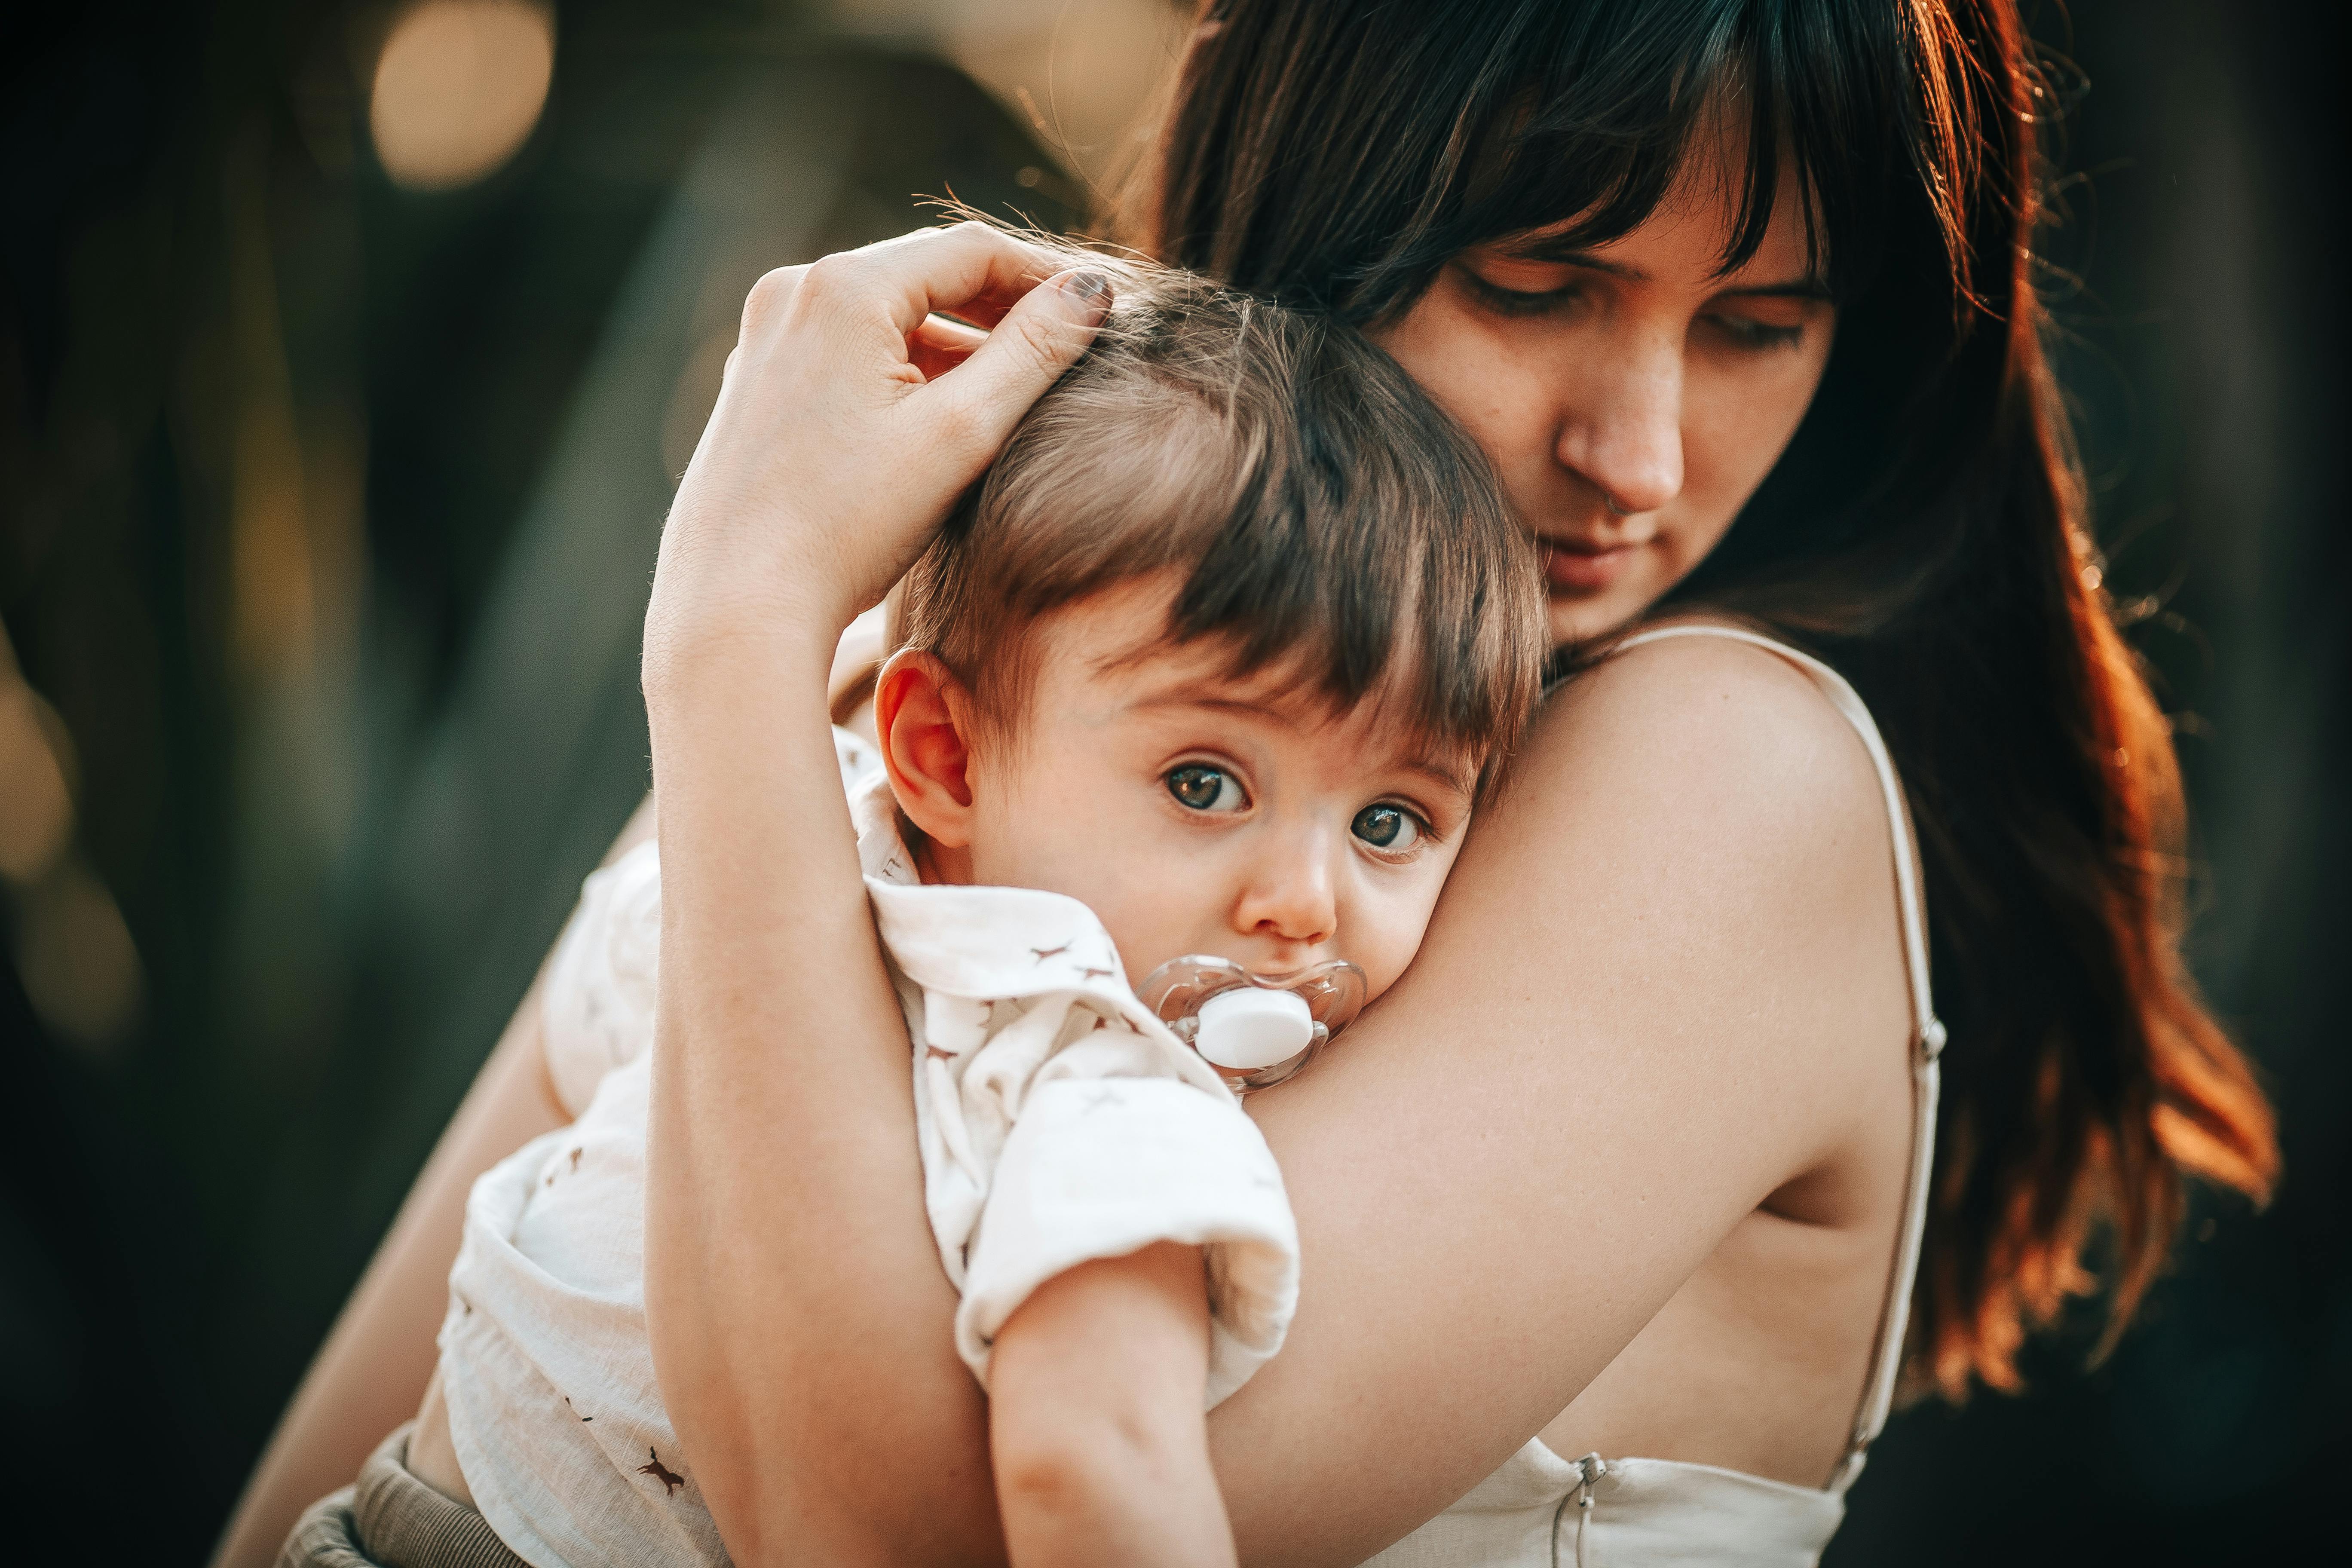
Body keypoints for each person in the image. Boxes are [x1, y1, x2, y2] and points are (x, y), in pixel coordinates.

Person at [215, 3, 2280, 1566]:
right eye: (1540, 286)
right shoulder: (900, 719)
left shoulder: (1728, 772)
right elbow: (322, 1484)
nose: (1638, 458)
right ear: (1324, 203)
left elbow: (891, 1544)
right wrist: (762, 666)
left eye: (1759, 326)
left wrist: (736, 626)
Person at [389, 267, 1544, 1568]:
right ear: (940, 751)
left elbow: (1099, 1461)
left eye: (1390, 823)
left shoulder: (1121, 1090)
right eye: (1206, 784)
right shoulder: (798, 819)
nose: (1303, 901)